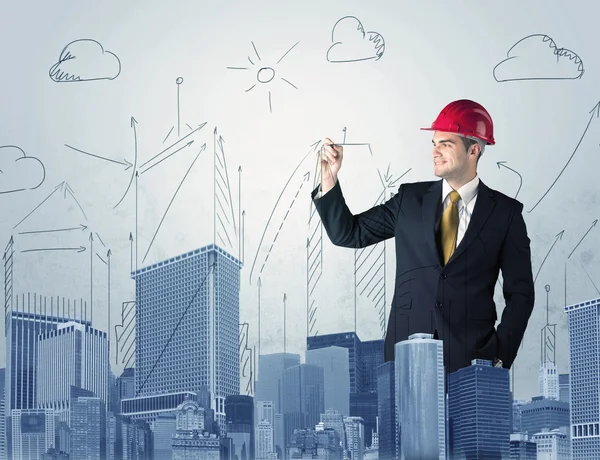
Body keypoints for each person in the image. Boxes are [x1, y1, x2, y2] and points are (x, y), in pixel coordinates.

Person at [311, 99, 535, 380]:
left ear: (474, 150)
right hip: (406, 358)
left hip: (474, 361)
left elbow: (521, 294)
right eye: (434, 143)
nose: (435, 152)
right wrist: (330, 177)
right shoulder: (409, 200)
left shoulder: (506, 214)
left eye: (446, 144)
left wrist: (500, 356)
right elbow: (349, 233)